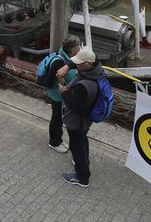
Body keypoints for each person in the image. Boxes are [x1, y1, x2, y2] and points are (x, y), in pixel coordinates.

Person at [56, 45, 106, 188]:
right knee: (82, 140)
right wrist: (68, 66)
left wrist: (64, 92)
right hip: (86, 120)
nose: (76, 65)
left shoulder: (84, 86)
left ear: (87, 64)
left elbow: (75, 105)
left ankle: (82, 177)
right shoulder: (97, 71)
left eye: (78, 63)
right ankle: (84, 161)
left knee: (76, 146)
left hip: (76, 121)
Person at [45, 38, 78, 153]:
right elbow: (53, 80)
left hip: (60, 94)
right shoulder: (60, 61)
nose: (80, 49)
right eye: (78, 47)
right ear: (73, 50)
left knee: (59, 118)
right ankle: (54, 142)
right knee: (57, 118)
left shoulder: (65, 55)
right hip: (57, 95)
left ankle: (58, 139)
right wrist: (63, 85)